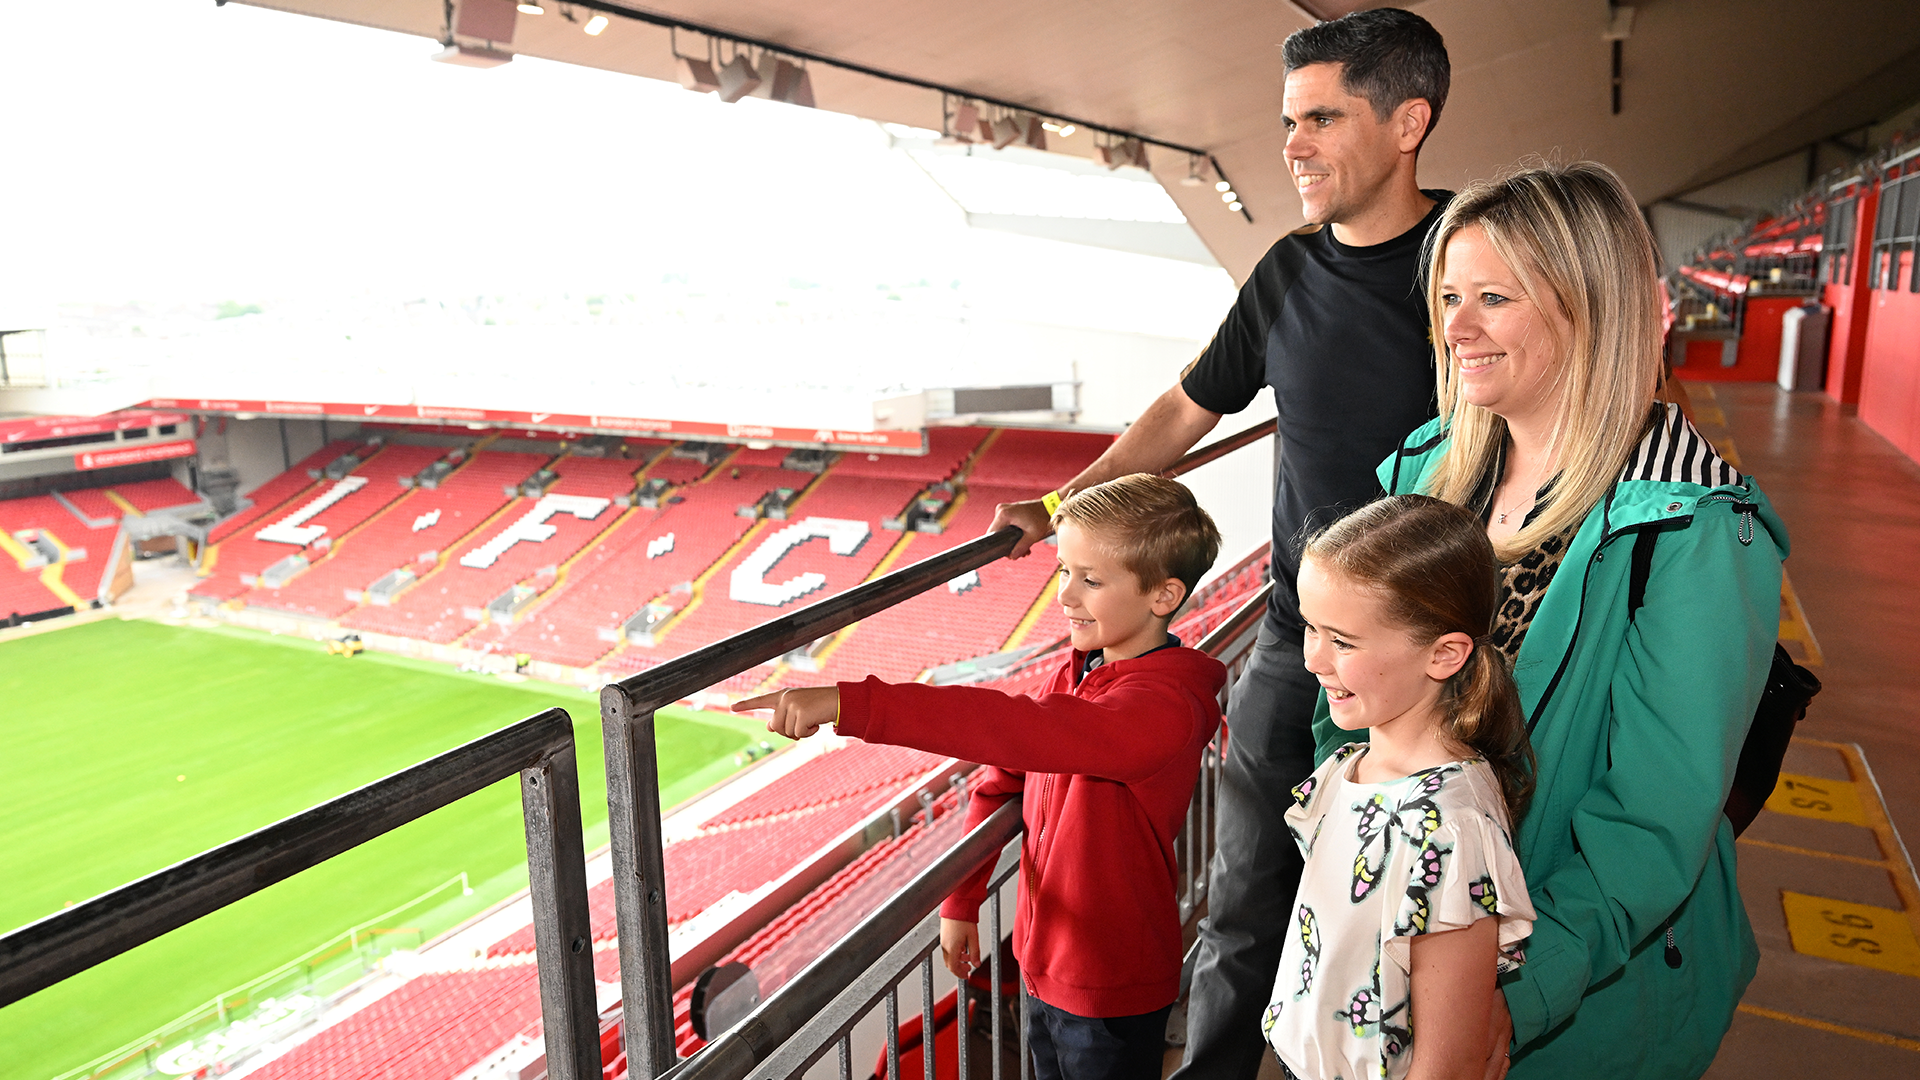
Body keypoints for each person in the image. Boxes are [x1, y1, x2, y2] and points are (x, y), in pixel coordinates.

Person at [988, 11, 1455, 1077]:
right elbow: (1183, 411)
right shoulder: (1287, 273)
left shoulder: (1470, 262)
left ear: (1409, 121)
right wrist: (1060, 507)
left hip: (1430, 662)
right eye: (1289, 119)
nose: (1292, 143)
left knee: (1407, 914)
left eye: (1323, 117)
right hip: (1298, 648)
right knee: (1246, 901)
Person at [1318, 161, 1786, 1078]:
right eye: (1450, 295)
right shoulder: (1422, 468)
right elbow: (1350, 681)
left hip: (1581, 996)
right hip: (1407, 943)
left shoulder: (1693, 528)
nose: (1455, 327)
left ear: (1590, 307)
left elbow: (1653, 819)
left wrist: (1512, 998)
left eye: (1494, 297)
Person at [737, 474, 1227, 1080]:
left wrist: (850, 704)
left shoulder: (1164, 709)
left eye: (1090, 580)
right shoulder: (1074, 676)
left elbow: (1009, 729)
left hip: (1112, 983)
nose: (1065, 597)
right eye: (1062, 572)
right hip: (1039, 962)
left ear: (1163, 595)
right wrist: (962, 897)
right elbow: (1000, 781)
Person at [1267, 495, 1535, 1080]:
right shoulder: (1350, 768)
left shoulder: (1448, 828)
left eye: (1342, 641)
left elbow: (1449, 1064)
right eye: (1311, 627)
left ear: (1444, 654)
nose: (1314, 658)